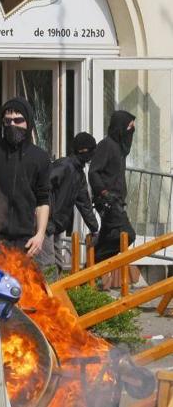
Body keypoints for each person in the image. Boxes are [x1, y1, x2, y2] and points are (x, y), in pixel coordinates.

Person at [0, 97, 52, 266]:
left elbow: (43, 200)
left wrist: (40, 235)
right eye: (7, 121)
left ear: (28, 122)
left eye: (18, 120)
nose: (12, 125)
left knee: (22, 289)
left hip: (24, 241)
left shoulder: (40, 157)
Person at [89, 110, 140, 290]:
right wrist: (103, 193)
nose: (130, 131)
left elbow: (125, 146)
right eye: (128, 127)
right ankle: (95, 259)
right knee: (127, 234)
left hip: (117, 200)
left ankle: (91, 267)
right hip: (107, 201)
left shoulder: (119, 149)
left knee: (109, 235)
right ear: (120, 127)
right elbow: (93, 171)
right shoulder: (106, 145)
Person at [43, 132, 100, 274]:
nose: (93, 155)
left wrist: (94, 229)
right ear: (83, 151)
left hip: (55, 226)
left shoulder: (79, 175)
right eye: (92, 151)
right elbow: (43, 187)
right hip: (45, 224)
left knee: (57, 265)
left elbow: (85, 204)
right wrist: (46, 213)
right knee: (48, 266)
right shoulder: (63, 166)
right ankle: (46, 295)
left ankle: (56, 294)